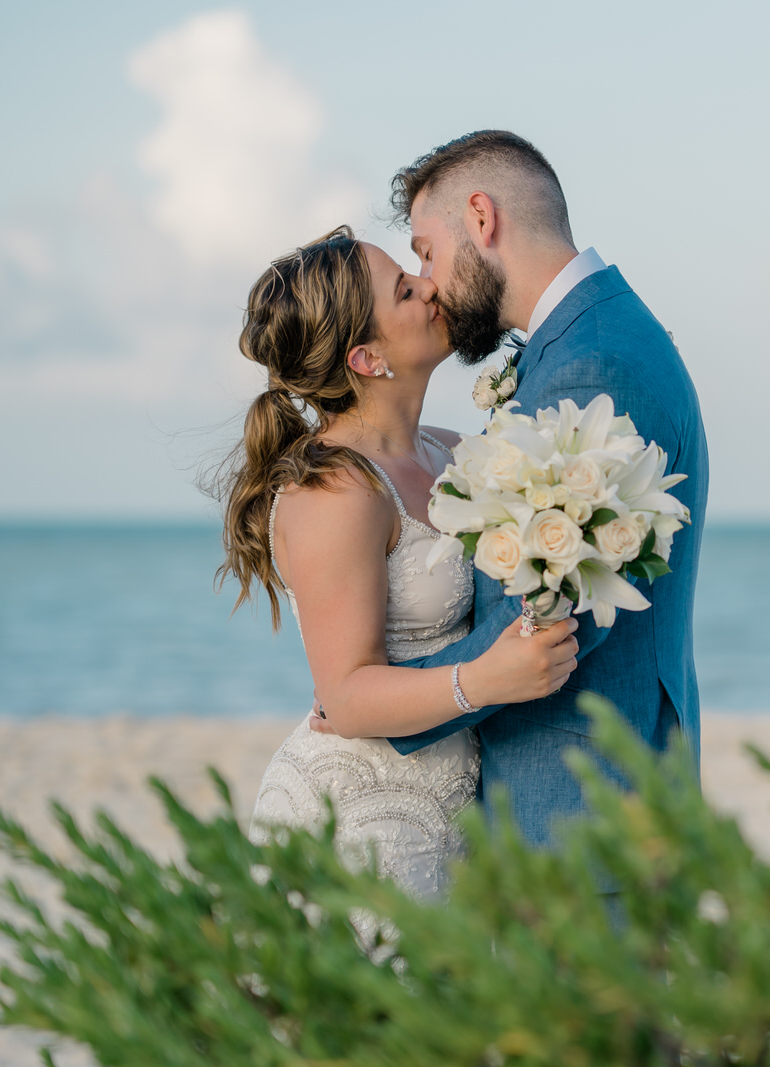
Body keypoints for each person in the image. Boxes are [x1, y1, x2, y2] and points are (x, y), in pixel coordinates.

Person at [311, 131, 709, 848]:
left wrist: (358, 707)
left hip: (581, 810)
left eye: (426, 254)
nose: (427, 282)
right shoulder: (586, 342)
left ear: (482, 219)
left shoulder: (590, 369)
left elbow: (548, 617)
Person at [216, 226, 580, 898]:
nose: (431, 287)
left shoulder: (450, 452)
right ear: (366, 356)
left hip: (452, 815)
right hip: (360, 823)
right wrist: (484, 678)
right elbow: (347, 695)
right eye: (406, 290)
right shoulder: (335, 490)